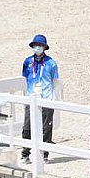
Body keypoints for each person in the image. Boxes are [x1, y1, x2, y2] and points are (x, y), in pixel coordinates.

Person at [20, 34, 60, 165]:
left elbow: (55, 81)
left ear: (44, 47)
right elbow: (24, 78)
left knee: (46, 127)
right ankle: (25, 153)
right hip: (31, 97)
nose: (37, 47)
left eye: (40, 45)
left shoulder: (51, 63)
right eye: (35, 45)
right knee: (27, 126)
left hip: (46, 98)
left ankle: (44, 154)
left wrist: (53, 99)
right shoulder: (27, 62)